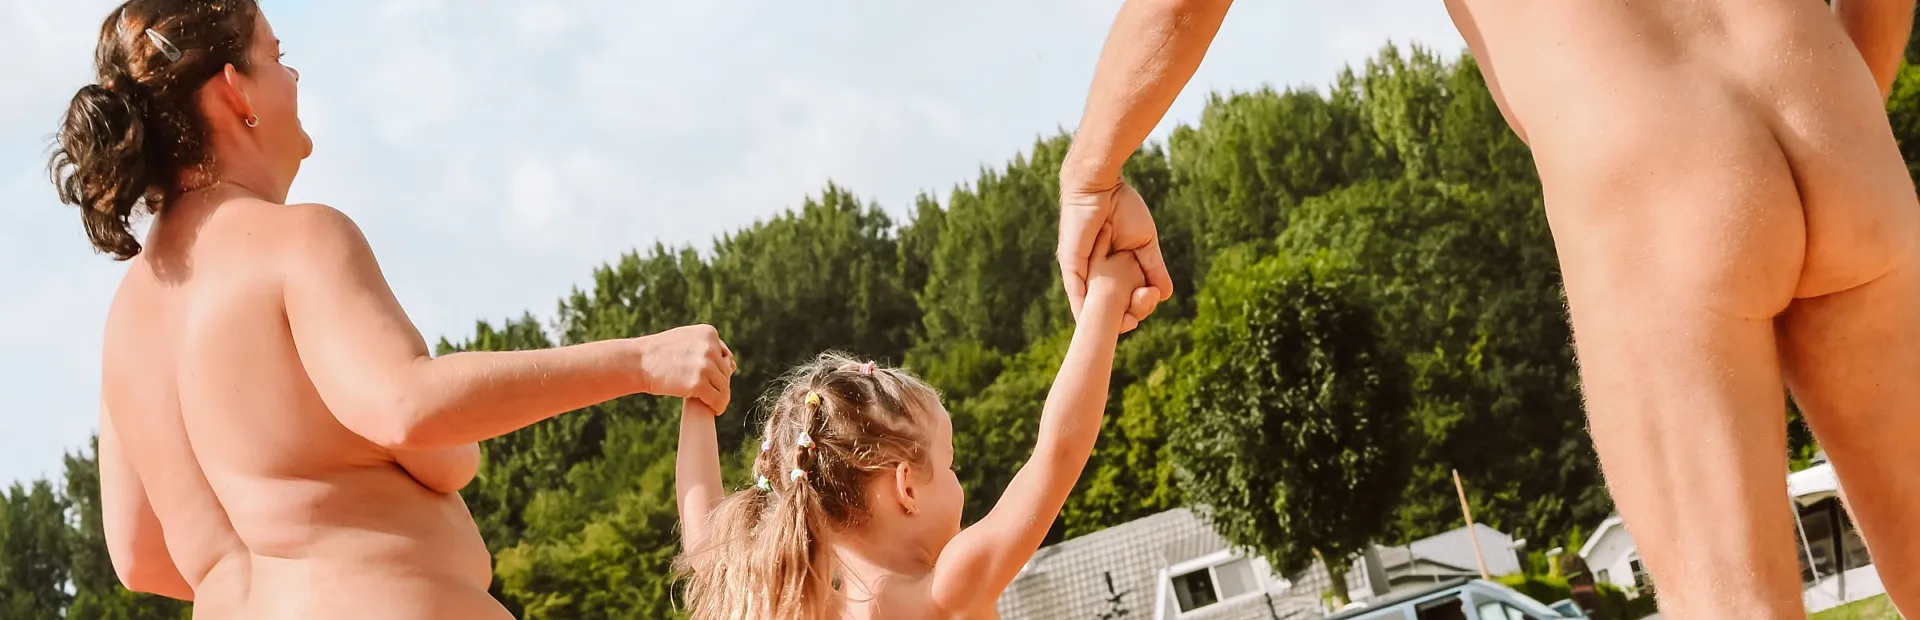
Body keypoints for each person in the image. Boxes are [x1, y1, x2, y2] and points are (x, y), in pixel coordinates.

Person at [1056, 1, 1920, 618]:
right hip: (1828, 112)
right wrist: (1842, 133)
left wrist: (1091, 172)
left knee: (1733, 607)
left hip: (1654, 164)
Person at [47, 2, 736, 617]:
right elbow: (408, 408)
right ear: (236, 94)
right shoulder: (298, 240)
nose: (293, 80)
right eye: (279, 58)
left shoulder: (127, 321)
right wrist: (646, 359)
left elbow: (139, 556)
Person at [673, 230, 1144, 619]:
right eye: (950, 464)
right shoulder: (941, 593)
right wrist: (1104, 295)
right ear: (906, 488)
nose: (960, 483)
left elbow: (705, 539)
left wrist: (698, 394)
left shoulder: (787, 604)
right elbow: (1058, 450)